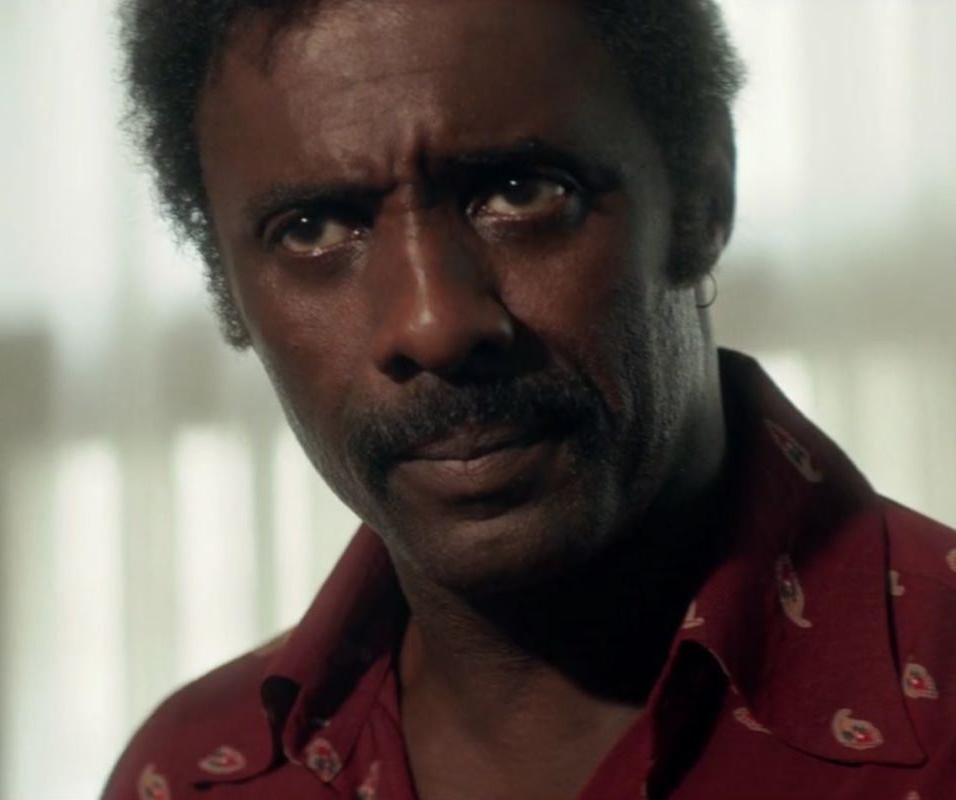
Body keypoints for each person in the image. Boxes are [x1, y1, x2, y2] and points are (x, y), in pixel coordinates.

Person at [104, 0, 956, 798]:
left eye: (521, 191)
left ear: (701, 197)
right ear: (227, 288)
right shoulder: (193, 774)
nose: (434, 324)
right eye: (313, 230)